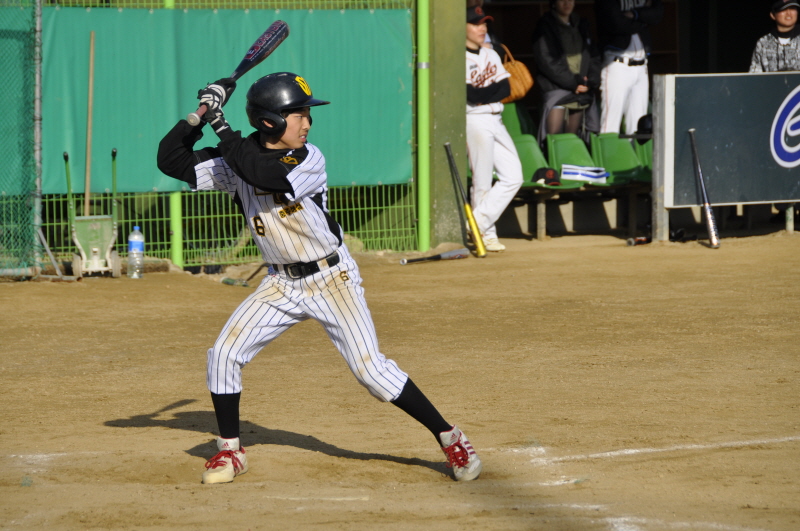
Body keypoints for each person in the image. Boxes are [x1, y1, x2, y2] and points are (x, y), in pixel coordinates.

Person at [156, 72, 482, 484]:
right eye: (298, 114)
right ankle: (230, 452)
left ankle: (449, 436)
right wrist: (200, 115)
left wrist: (221, 124)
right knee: (222, 356)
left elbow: (264, 174)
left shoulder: (308, 158)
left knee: (372, 373)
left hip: (333, 280)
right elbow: (170, 160)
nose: (307, 123)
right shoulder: (236, 160)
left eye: (307, 114)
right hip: (281, 285)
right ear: (270, 121)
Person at [466, 5, 524, 252]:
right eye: (476, 24)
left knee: (514, 176)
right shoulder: (459, 57)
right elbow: (470, 95)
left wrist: (484, 95)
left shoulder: (491, 54)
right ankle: (486, 234)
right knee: (482, 181)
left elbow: (506, 89)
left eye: (484, 24)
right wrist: (486, 95)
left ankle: (477, 223)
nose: (482, 28)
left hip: (496, 119)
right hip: (475, 120)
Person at [532, 0, 601, 147]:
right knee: (554, 142)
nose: (567, 3)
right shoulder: (545, 26)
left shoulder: (582, 24)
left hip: (580, 90)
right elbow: (546, 61)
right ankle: (553, 170)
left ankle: (569, 168)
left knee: (572, 141)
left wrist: (589, 82)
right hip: (557, 88)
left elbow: (593, 56)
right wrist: (574, 82)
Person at [594, 0, 664, 134]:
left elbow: (658, 13)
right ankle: (610, 155)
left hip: (641, 65)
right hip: (617, 64)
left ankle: (635, 156)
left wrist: (634, 14)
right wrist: (644, 20)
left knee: (640, 126)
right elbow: (617, 24)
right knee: (611, 123)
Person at [749, 0, 800, 72]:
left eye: (792, 8)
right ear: (773, 15)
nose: (789, 13)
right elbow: (754, 76)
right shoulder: (763, 43)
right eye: (783, 9)